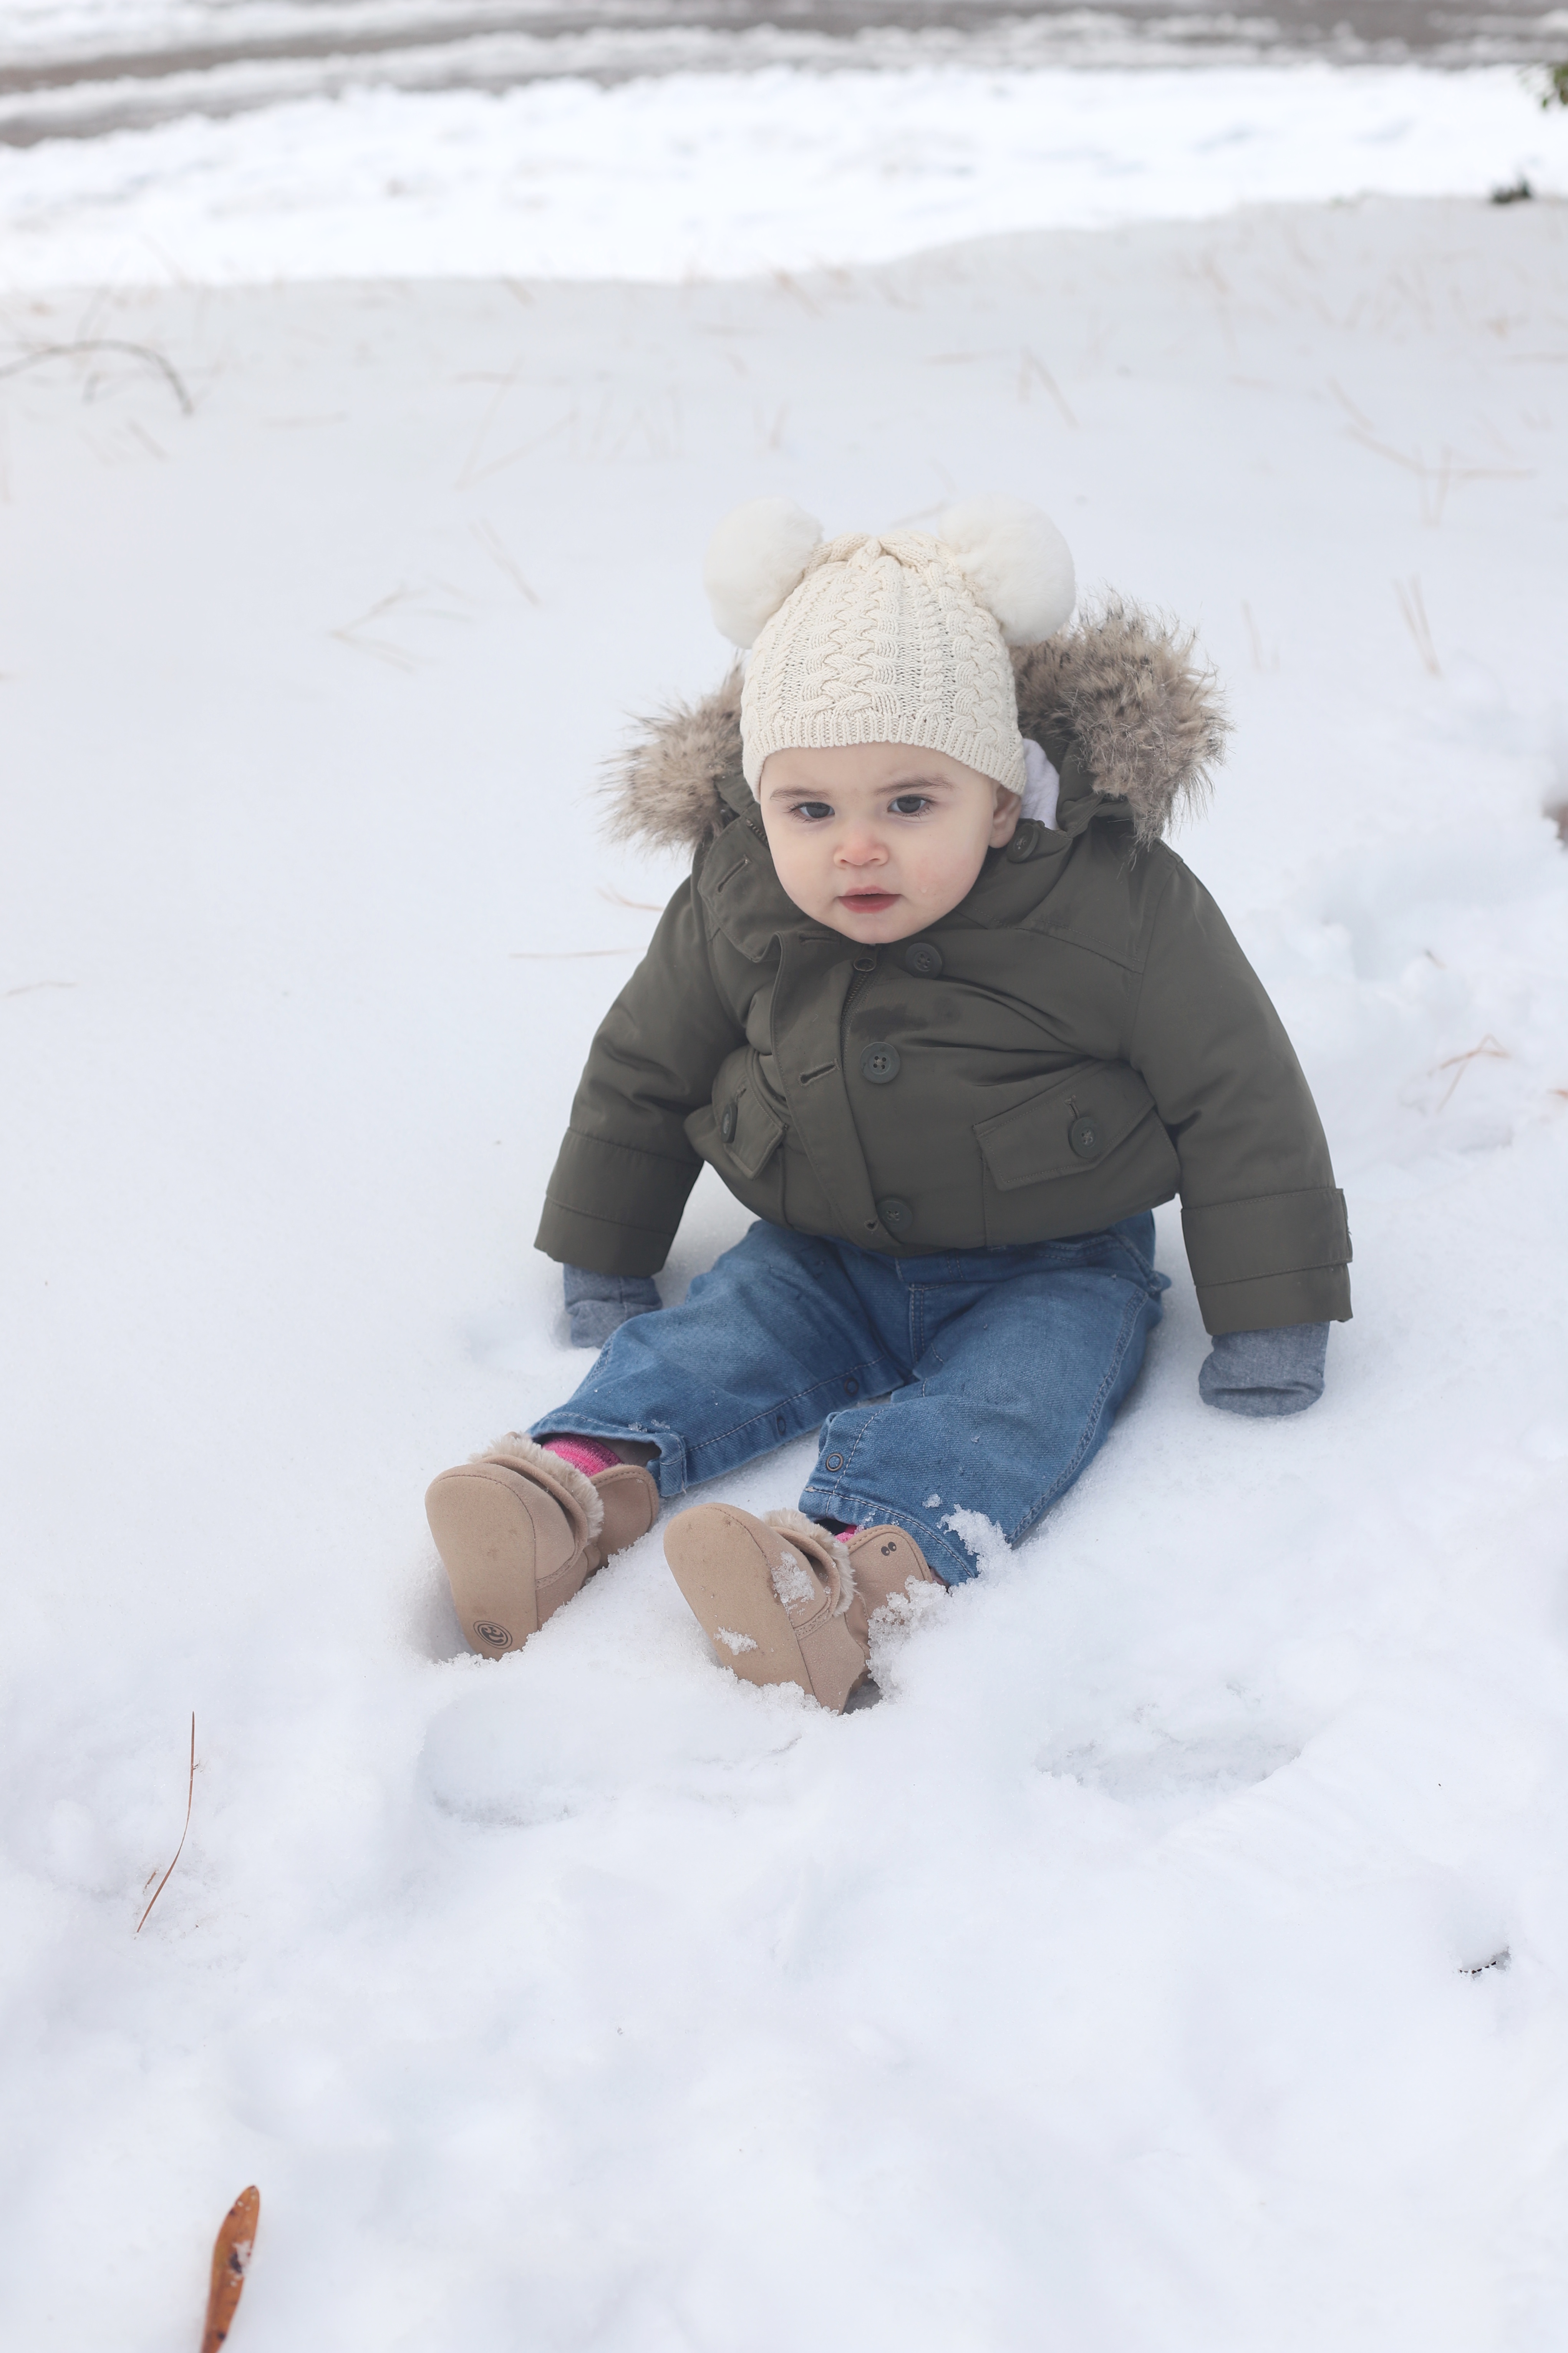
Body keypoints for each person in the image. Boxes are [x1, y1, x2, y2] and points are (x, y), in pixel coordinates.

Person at [425, 496, 1351, 1709]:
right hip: (819, 1249)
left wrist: (1271, 1309)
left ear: (1001, 796)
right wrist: (606, 1249)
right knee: (709, 1347)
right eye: (810, 808)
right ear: (761, 801)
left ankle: (849, 1578)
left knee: (1002, 1412)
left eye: (908, 804)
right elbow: (643, 1066)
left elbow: (1240, 1092)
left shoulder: (1119, 906)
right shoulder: (737, 897)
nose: (855, 849)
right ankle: (570, 1493)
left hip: (1054, 1264)